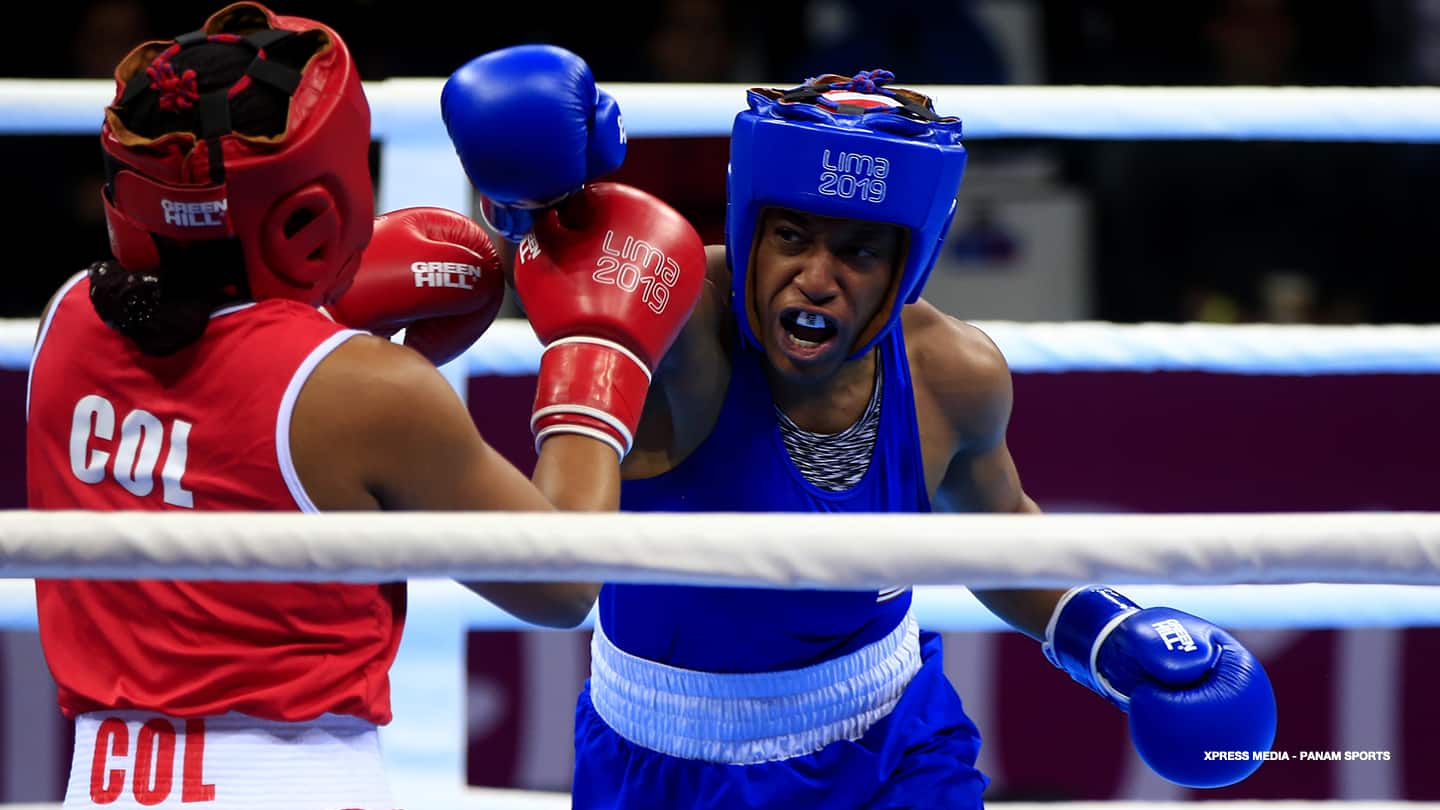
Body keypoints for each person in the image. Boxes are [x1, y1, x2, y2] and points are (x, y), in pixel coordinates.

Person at [443, 52, 1277, 809]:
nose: (816, 279)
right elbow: (576, 253)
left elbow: (1000, 533)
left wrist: (1110, 635)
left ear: (908, 263)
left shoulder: (955, 375)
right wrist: (526, 206)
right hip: (664, 762)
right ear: (748, 233)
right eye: (793, 238)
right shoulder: (679, 326)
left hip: (891, 744)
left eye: (858, 252)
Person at [25, 4, 702, 808]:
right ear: (314, 205)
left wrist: (324, 311)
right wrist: (601, 351)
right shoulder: (365, 392)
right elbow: (561, 583)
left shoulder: (65, 322)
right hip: (297, 784)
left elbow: (221, 371)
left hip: (97, 781)